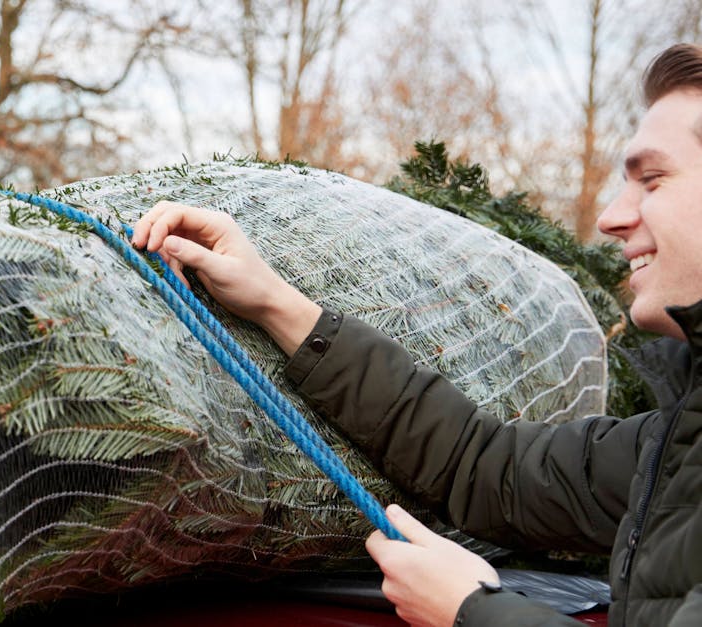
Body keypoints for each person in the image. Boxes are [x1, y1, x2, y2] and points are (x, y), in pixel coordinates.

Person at [130, 43, 702, 626]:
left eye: (652, 180)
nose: (611, 216)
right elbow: (487, 467)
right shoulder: (678, 440)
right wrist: (278, 305)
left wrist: (469, 611)